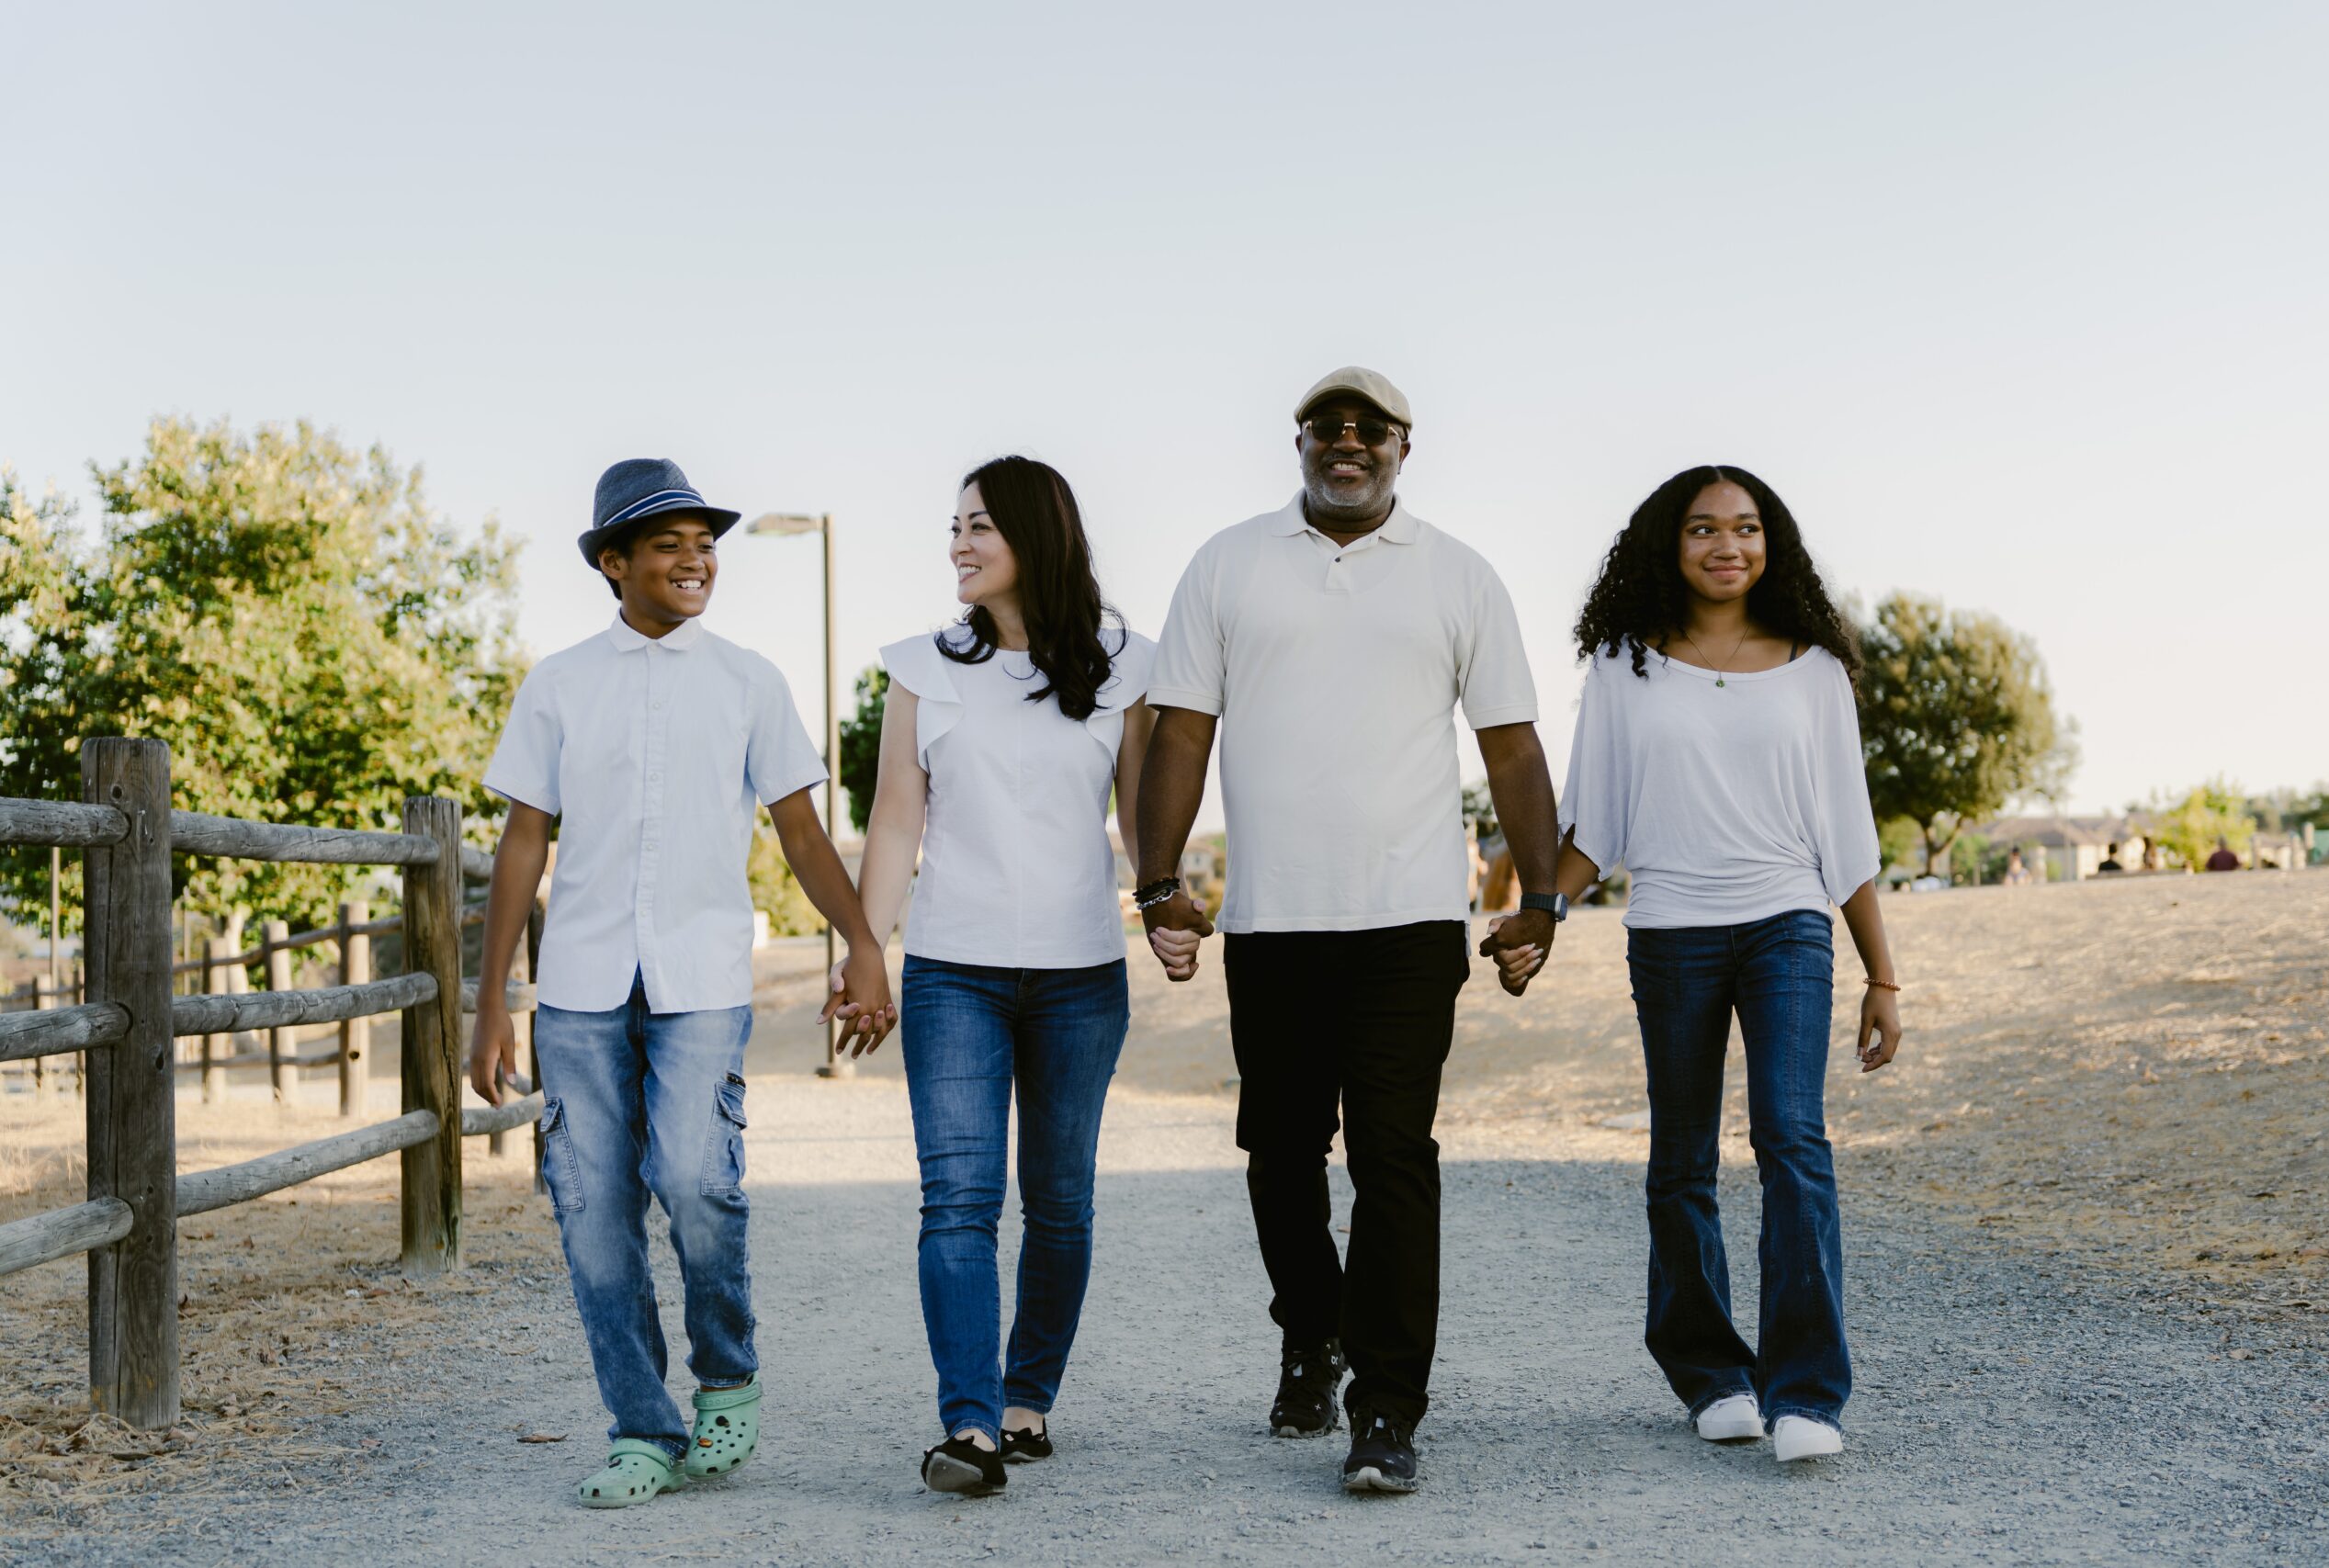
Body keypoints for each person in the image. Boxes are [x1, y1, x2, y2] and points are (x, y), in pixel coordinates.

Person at [1136, 367, 1563, 1495]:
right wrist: (1157, 884)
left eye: (1370, 428)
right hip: (1273, 923)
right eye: (1327, 425)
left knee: (1392, 1158)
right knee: (1279, 1155)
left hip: (1409, 920)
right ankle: (1309, 1330)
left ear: (1404, 449)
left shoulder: (1459, 576)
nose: (1347, 441)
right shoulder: (1227, 563)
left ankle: (1384, 1408)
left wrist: (1541, 899)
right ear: (1300, 443)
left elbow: (1511, 746)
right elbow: (1179, 732)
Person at [467, 458, 893, 1508]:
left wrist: (863, 942)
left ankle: (727, 1373)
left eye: (705, 542)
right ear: (613, 563)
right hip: (578, 987)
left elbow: (799, 828)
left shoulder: (750, 680)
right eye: (667, 543)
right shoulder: (558, 683)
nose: (695, 558)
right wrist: (489, 1004)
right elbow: (525, 840)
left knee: (700, 1183)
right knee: (590, 1209)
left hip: (703, 977)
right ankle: (641, 1427)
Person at [1487, 464, 1905, 1464]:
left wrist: (1882, 977)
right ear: (1667, 547)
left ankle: (1805, 1392)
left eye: (1749, 528)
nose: (1729, 546)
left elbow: (1845, 839)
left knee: (1790, 1139)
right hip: (1670, 929)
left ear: (1774, 544)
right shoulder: (1625, 669)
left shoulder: (1814, 671)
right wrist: (1535, 918)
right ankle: (1711, 1372)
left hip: (1787, 925)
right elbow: (1597, 826)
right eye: (1704, 529)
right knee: (1681, 1159)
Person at [840, 456, 1156, 1497]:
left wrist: (1167, 903)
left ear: (1036, 535)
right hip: (951, 973)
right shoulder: (923, 667)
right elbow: (896, 815)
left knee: (1059, 1203)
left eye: (979, 526)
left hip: (1079, 974)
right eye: (954, 526)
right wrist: (866, 944)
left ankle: (1029, 1400)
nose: (958, 545)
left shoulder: (1126, 665)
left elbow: (1150, 817)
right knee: (957, 1202)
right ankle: (969, 1425)